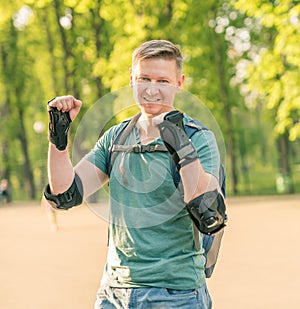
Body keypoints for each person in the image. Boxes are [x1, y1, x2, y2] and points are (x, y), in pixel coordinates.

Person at [44, 40, 227, 308]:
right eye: (144, 78)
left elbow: (208, 214)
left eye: (163, 81)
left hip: (176, 294)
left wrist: (181, 147)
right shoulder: (116, 137)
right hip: (114, 292)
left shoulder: (197, 138)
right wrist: (58, 139)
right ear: (131, 79)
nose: (152, 90)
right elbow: (65, 194)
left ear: (179, 82)